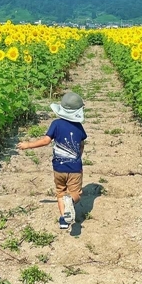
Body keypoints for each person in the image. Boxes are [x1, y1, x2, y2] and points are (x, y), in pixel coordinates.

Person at [17, 91, 87, 230]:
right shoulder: (79, 128)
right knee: (76, 193)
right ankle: (70, 201)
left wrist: (28, 145)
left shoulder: (56, 124)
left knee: (60, 193)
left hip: (58, 168)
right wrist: (78, 156)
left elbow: (45, 141)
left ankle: (63, 220)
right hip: (74, 169)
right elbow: (81, 145)